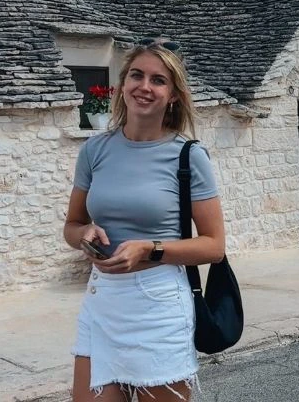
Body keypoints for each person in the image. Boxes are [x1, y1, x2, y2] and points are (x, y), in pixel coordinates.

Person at [63, 41, 225, 402]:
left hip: (159, 306)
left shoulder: (189, 156)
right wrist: (84, 234)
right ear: (121, 86)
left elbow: (214, 246)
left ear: (173, 96)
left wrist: (149, 249)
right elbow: (72, 226)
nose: (145, 86)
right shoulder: (94, 149)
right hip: (102, 300)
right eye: (137, 75)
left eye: (158, 80)